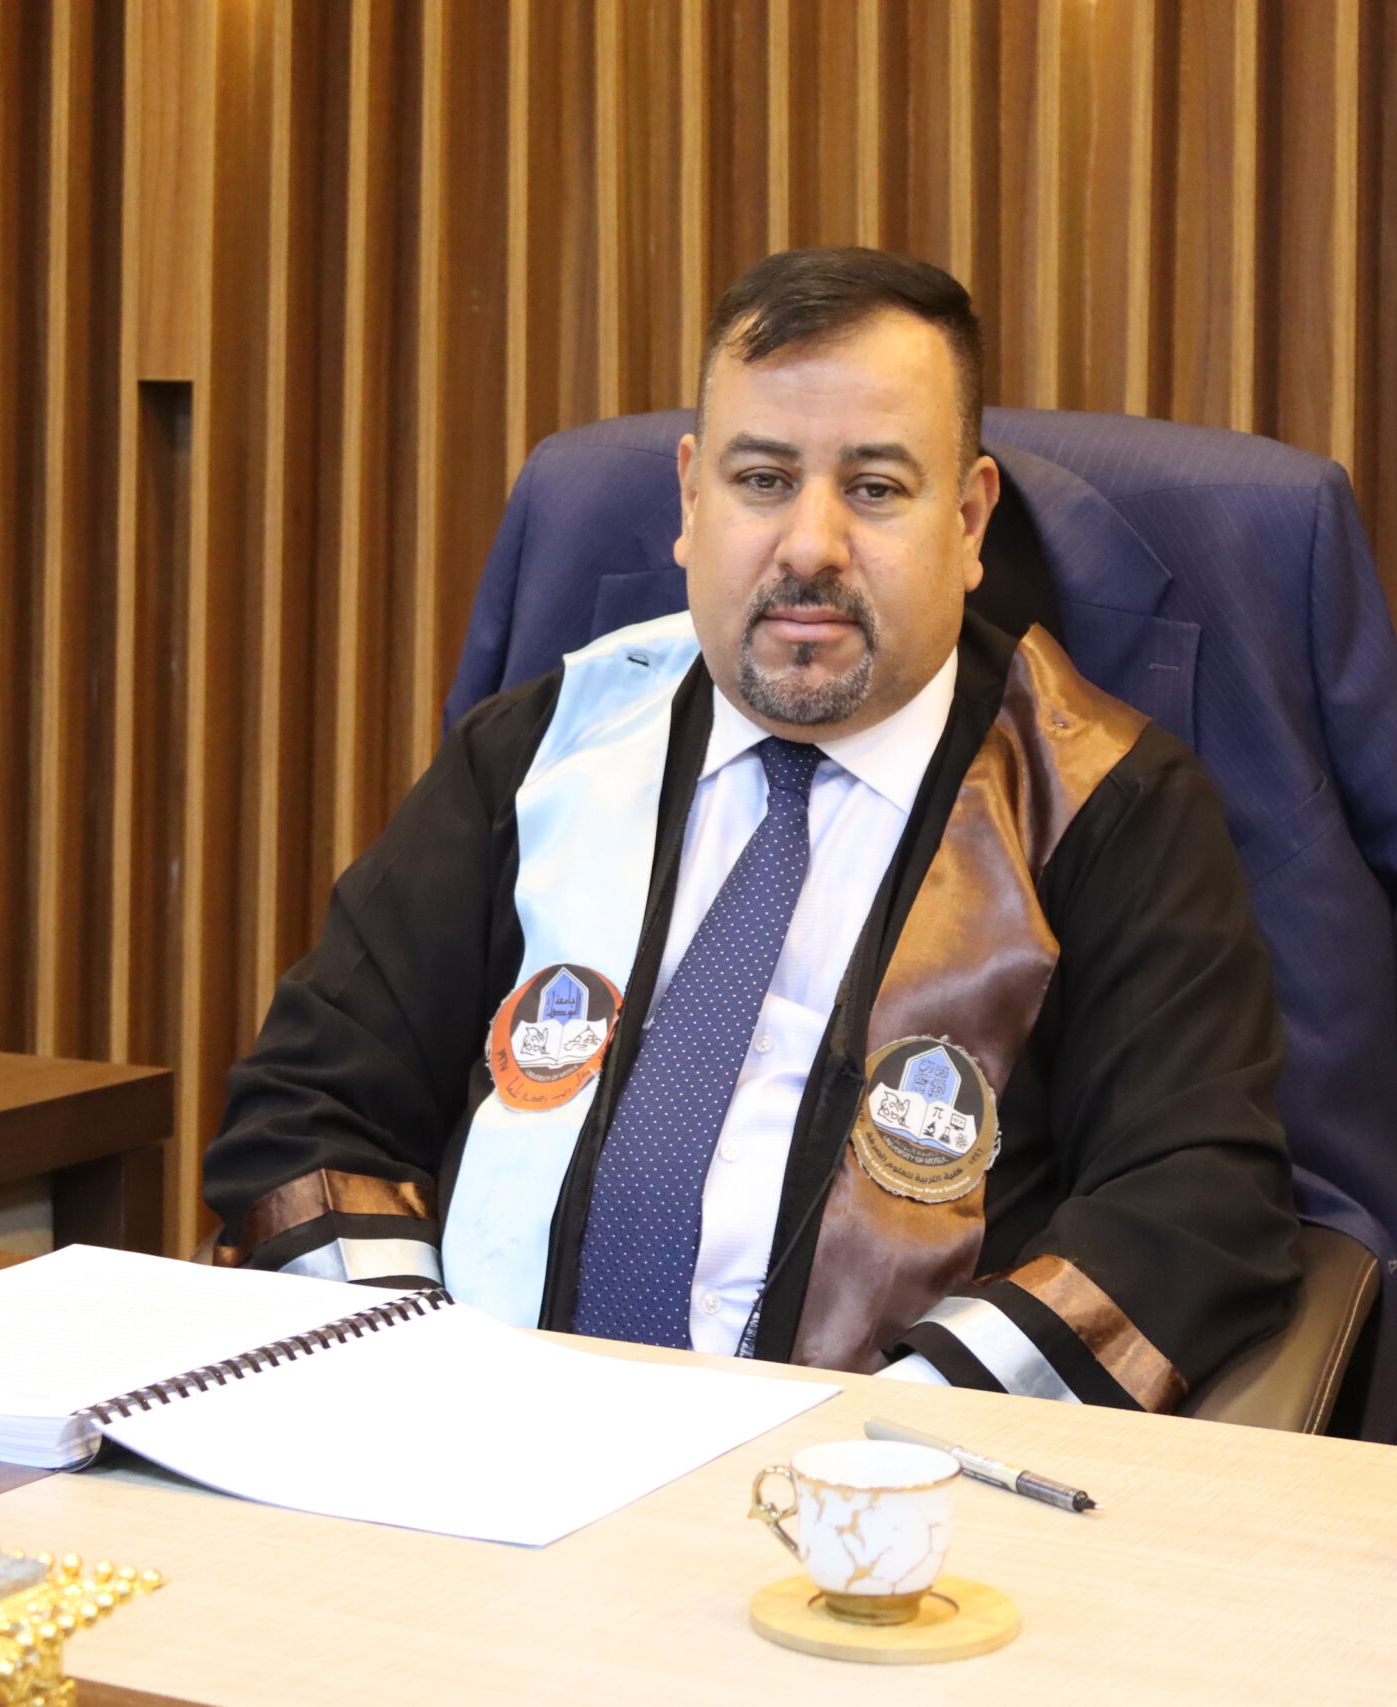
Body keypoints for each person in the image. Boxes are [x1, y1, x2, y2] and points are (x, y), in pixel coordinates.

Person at [204, 247, 1300, 1409]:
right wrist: (406, 1382)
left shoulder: (1100, 803)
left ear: (969, 518)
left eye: (874, 488)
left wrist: (898, 1439)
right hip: (472, 1433)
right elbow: (308, 1110)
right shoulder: (539, 752)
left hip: (871, 1477)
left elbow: (1194, 1206)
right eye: (763, 479)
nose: (810, 546)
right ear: (691, 500)